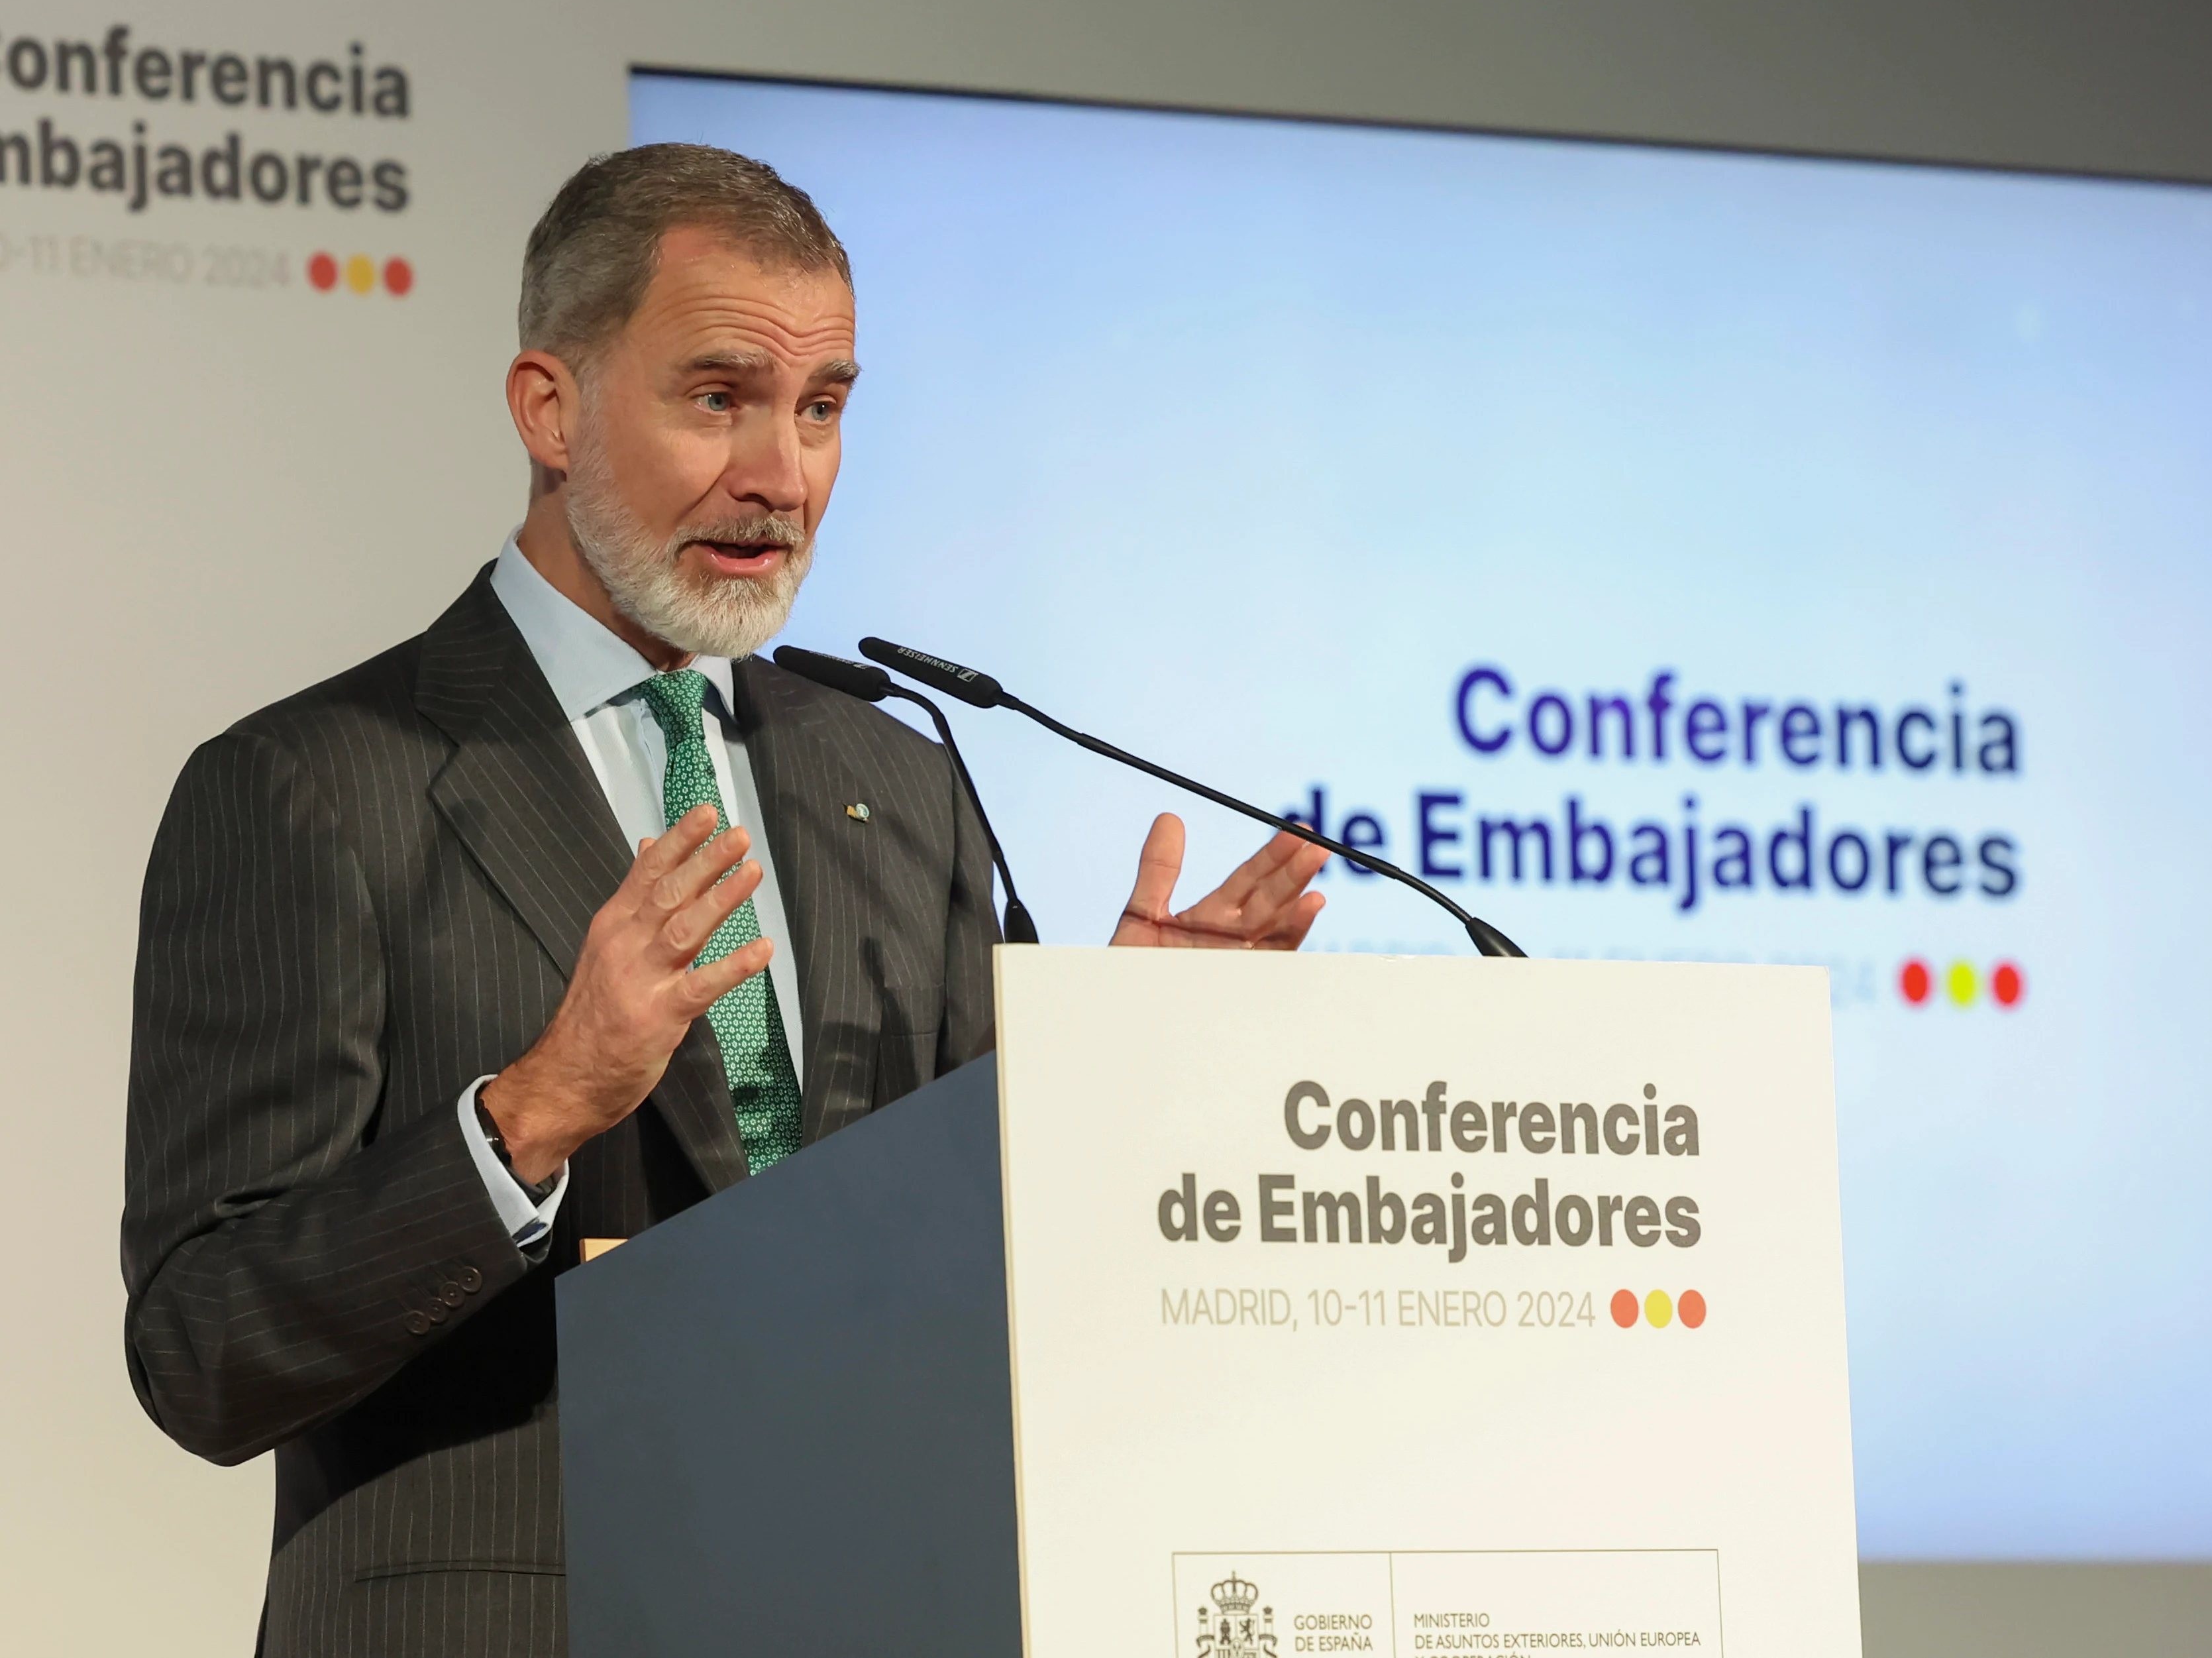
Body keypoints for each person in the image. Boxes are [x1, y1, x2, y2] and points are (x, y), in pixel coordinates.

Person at [121, 143, 1327, 1657]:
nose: (782, 475)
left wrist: (1098, 1081)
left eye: (820, 409)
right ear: (547, 409)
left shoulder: (896, 776)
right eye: (718, 398)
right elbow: (201, 1346)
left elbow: (976, 1286)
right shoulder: (315, 788)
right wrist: (533, 1115)